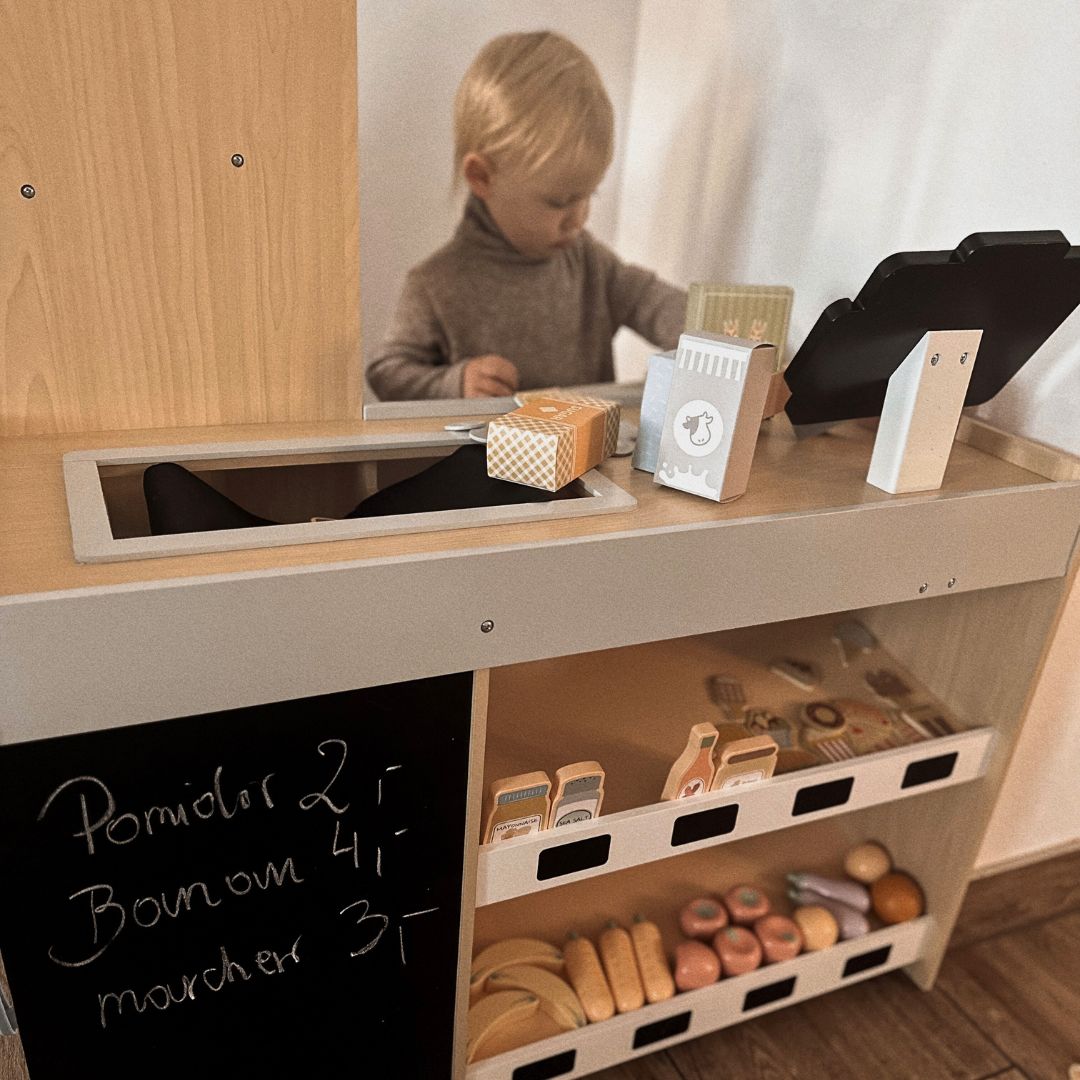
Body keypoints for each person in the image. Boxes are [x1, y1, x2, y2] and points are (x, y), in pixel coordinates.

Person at [366, 30, 687, 400]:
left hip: (584, 456)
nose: (578, 218)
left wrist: (718, 335)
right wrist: (455, 383)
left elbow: (650, 299)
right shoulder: (435, 285)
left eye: (589, 195)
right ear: (483, 178)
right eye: (558, 201)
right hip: (487, 457)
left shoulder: (587, 262)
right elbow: (386, 372)